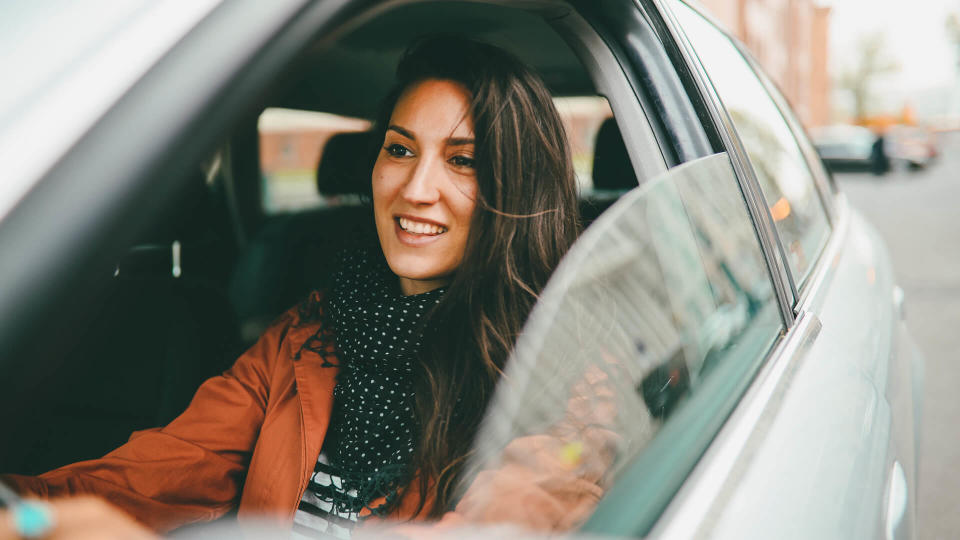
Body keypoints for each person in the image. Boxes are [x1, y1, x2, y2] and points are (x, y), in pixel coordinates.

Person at [0, 35, 579, 539]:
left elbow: (510, 522)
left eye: (464, 161)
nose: (417, 188)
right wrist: (26, 513)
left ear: (516, 190)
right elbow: (164, 469)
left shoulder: (564, 374)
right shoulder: (309, 333)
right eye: (399, 149)